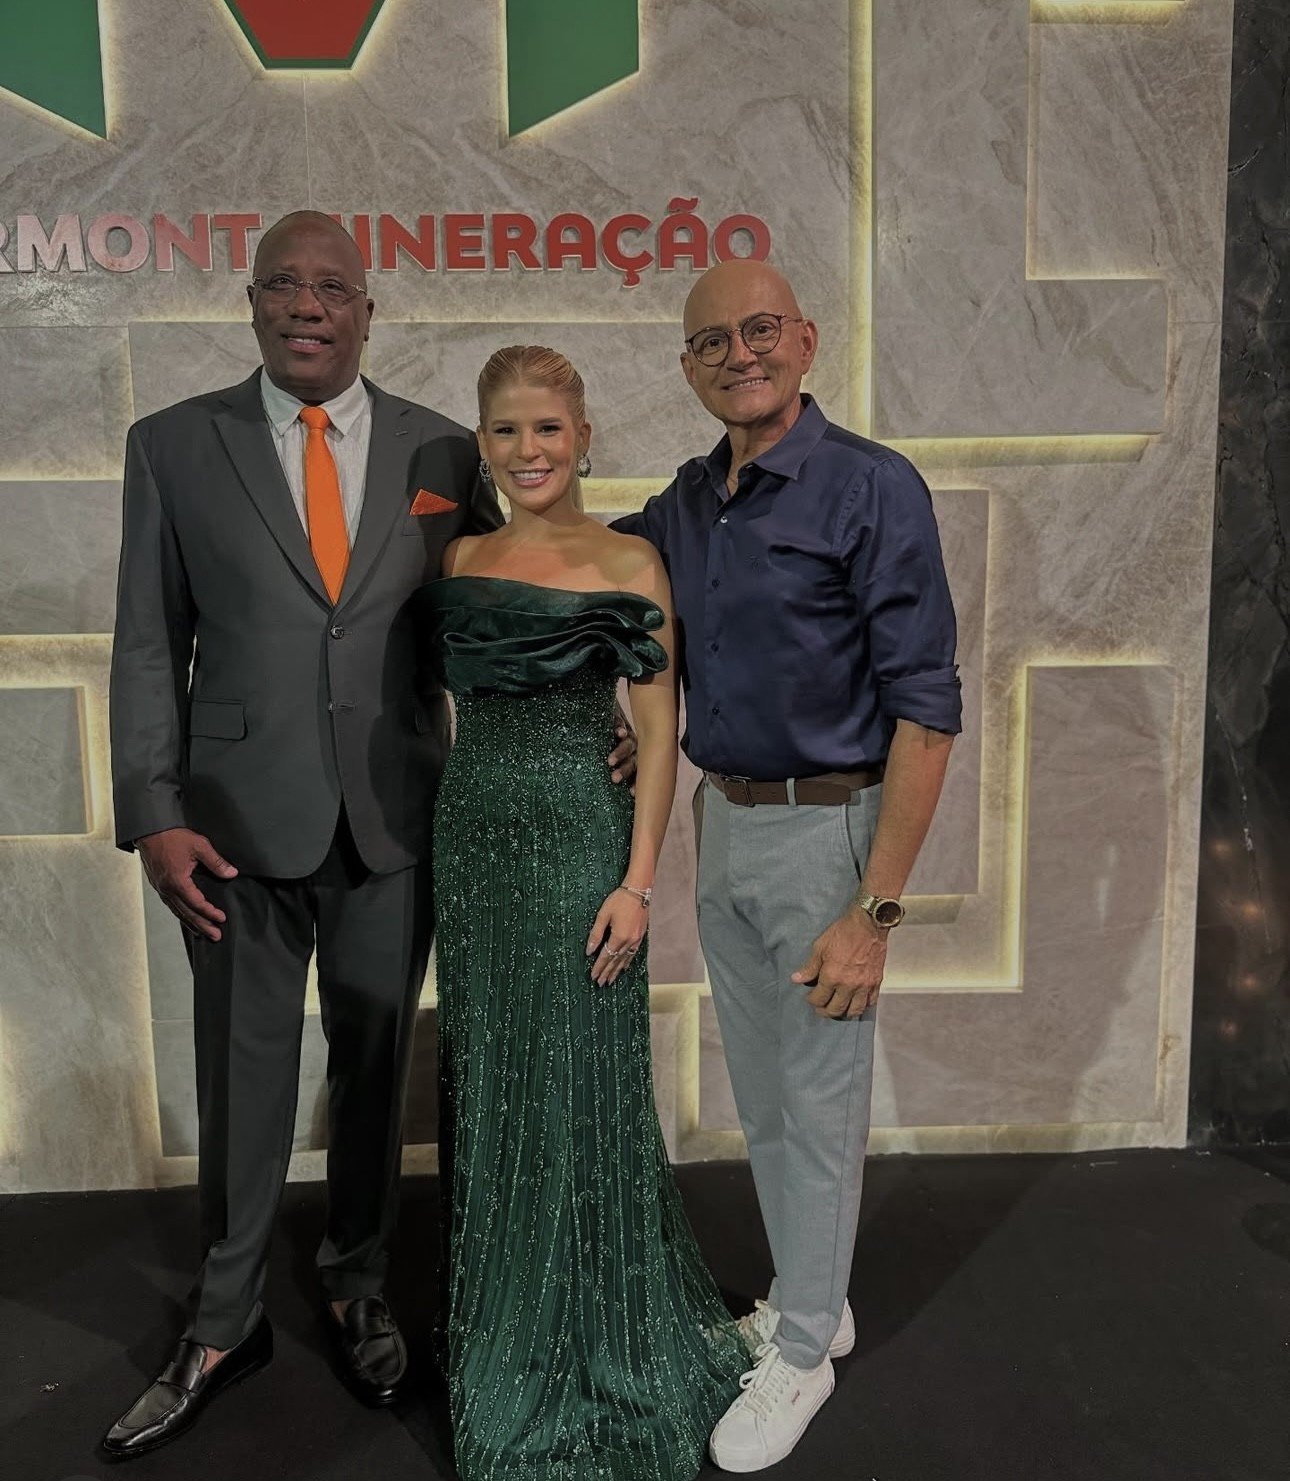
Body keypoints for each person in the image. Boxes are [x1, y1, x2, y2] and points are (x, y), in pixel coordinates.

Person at [100, 211, 512, 1458]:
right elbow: (146, 640)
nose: (307, 306)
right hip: (229, 824)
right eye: (283, 283)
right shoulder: (174, 444)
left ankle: (356, 1277)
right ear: (252, 302)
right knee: (242, 1072)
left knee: (378, 1068)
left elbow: (485, 609)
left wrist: (582, 717)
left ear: (368, 310)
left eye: (332, 287)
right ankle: (225, 1318)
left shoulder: (446, 448)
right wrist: (154, 811)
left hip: (397, 812)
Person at [613, 259, 961, 1471]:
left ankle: (805, 1349)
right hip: (725, 824)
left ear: (806, 340)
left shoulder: (872, 486)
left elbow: (928, 714)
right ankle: (815, 1299)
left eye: (759, 328)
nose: (739, 354)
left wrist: (876, 908)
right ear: (689, 366)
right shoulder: (685, 501)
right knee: (765, 1098)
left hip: (830, 836)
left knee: (817, 1107)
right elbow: (600, 580)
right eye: (711, 340)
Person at [421, 345, 748, 1481]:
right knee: (495, 1075)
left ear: (585, 436)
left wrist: (636, 881)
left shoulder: (630, 558)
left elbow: (657, 735)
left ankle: (594, 1332)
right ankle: (507, 1323)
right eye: (507, 431)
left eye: (548, 429)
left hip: (579, 847)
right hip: (471, 843)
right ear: (483, 445)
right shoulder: (461, 555)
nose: (530, 451)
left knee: (578, 1075)